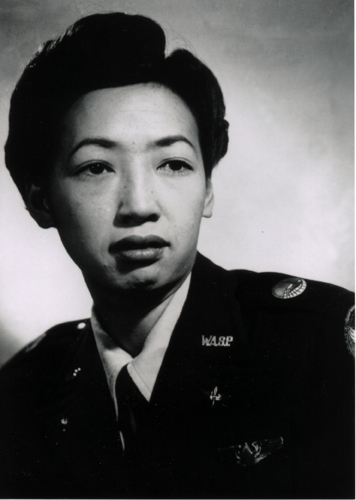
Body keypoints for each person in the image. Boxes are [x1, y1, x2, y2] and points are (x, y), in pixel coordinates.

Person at [0, 11, 354, 499]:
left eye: (173, 163)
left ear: (208, 189)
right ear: (40, 200)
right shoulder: (22, 390)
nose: (140, 206)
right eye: (97, 167)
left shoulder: (319, 347)